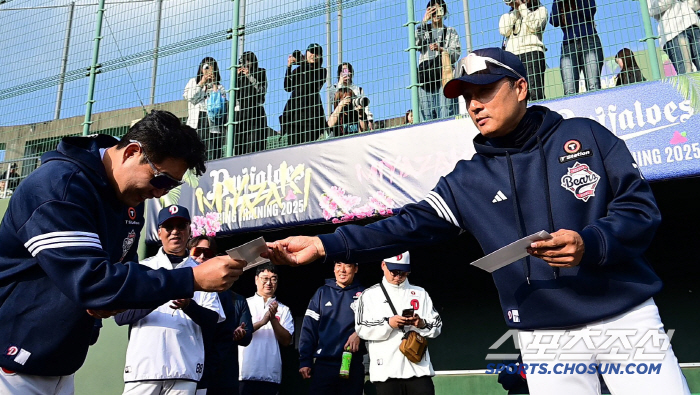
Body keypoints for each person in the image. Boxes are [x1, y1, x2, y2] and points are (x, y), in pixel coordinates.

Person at [264, 48, 691, 394]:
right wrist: (326, 245)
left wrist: (590, 242)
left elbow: (640, 210)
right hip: (544, 333)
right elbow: (404, 225)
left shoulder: (586, 135)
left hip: (623, 315)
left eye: (484, 91)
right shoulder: (468, 178)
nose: (474, 105)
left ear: (520, 87)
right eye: (467, 97)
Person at [0, 110, 245, 395]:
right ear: (131, 152)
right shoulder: (58, 185)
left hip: (59, 361)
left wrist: (109, 299)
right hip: (10, 363)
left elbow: (119, 274)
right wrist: (190, 279)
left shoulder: (129, 198)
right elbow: (93, 281)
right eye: (162, 180)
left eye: (172, 185)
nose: (160, 193)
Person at [116, 205, 225, 395]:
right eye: (169, 227)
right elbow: (121, 317)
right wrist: (160, 294)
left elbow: (213, 322)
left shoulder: (201, 272)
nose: (175, 231)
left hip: (184, 369)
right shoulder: (142, 268)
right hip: (144, 368)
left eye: (181, 226)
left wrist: (189, 306)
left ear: (189, 231)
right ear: (159, 233)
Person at [355, 253, 442, 395]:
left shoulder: (420, 293)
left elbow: (437, 326)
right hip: (386, 372)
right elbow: (361, 328)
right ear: (383, 265)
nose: (398, 276)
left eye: (403, 272)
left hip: (418, 368)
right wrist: (389, 323)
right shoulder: (369, 295)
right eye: (394, 271)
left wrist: (420, 324)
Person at [188, 235, 253, 395]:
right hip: (179, 371)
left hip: (215, 376)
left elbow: (225, 336)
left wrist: (208, 369)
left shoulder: (227, 296)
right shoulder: (175, 284)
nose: (202, 257)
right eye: (197, 251)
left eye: (208, 253)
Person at [298, 261, 366, 395]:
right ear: (334, 268)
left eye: (348, 265)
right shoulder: (322, 292)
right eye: (338, 265)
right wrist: (305, 360)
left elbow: (375, 323)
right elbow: (309, 328)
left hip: (352, 364)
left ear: (356, 268)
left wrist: (360, 333)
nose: (343, 270)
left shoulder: (365, 294)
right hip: (324, 364)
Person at [238, 264, 294, 395]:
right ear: (256, 279)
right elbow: (239, 333)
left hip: (270, 375)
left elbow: (286, 341)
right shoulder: (245, 303)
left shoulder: (283, 309)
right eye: (265, 278)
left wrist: (273, 319)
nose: (269, 283)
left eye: (273, 279)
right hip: (244, 372)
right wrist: (263, 322)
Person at [415, 0, 461, 121]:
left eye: (438, 10)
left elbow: (456, 53)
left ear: (444, 11)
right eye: (432, 11)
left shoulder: (450, 31)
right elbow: (416, 44)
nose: (436, 14)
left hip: (444, 74)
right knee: (426, 113)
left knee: (446, 110)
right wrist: (424, 22)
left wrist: (441, 49)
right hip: (426, 76)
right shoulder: (424, 29)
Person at [550, 0, 604, 95]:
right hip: (568, 45)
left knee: (593, 86)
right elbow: (554, 21)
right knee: (569, 90)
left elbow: (589, 11)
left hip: (589, 40)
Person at [279, 44, 327, 146]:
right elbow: (287, 87)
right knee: (293, 147)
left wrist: (302, 62)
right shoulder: (298, 70)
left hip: (311, 116)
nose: (314, 55)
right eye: (311, 52)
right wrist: (289, 67)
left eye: (317, 53)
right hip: (294, 116)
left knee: (308, 146)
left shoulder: (322, 71)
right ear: (306, 53)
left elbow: (312, 84)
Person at [499, 0, 548, 101]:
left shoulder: (541, 10)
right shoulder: (508, 15)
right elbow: (504, 30)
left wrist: (522, 7)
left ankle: (537, 115)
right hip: (513, 55)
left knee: (534, 92)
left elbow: (535, 25)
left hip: (532, 52)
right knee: (515, 93)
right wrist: (516, 9)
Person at [184, 57, 227, 161]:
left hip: (213, 124)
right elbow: (190, 97)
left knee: (212, 154)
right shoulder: (193, 82)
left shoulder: (220, 87)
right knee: (196, 152)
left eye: (211, 67)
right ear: (201, 68)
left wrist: (214, 85)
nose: (208, 70)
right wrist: (202, 83)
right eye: (205, 67)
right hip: (196, 121)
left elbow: (220, 107)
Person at [648, 0, 700, 75]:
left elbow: (695, 6)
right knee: (686, 70)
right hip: (673, 31)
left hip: (693, 24)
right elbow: (651, 10)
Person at [235, 51, 268, 156]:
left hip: (256, 110)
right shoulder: (238, 75)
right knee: (240, 145)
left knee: (256, 142)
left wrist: (249, 76)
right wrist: (236, 77)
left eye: (249, 60)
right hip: (241, 112)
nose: (247, 63)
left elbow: (262, 90)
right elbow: (234, 94)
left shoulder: (261, 72)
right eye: (244, 61)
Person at [328, 62, 374, 130]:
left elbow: (365, 106)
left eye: (348, 71)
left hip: (355, 118)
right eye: (344, 71)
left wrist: (369, 119)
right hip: (341, 117)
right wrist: (340, 82)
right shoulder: (334, 88)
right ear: (339, 73)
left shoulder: (358, 89)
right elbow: (334, 101)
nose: (347, 73)